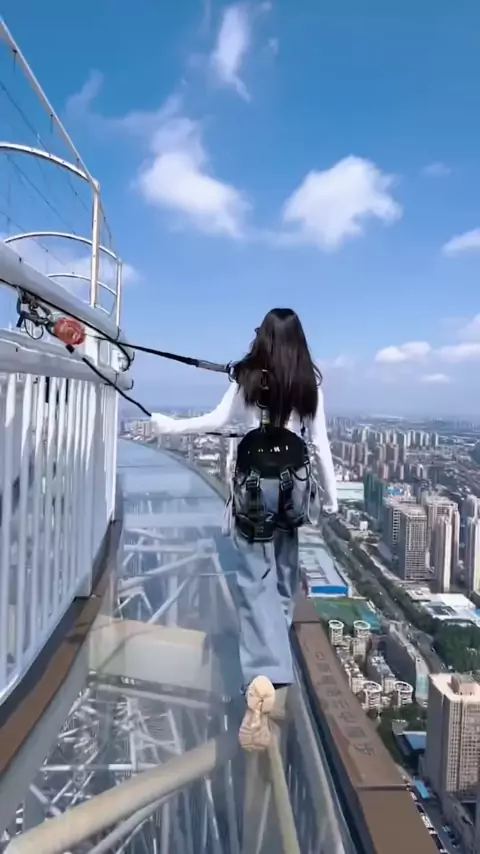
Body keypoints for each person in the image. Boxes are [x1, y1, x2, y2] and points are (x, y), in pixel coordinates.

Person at [152, 308, 338, 750]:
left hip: (253, 486)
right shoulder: (309, 380)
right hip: (293, 487)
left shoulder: (249, 377)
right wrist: (331, 497)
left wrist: (170, 426)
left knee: (254, 578)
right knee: (284, 572)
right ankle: (277, 668)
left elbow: (218, 422)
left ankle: (265, 676)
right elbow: (320, 442)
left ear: (265, 336)